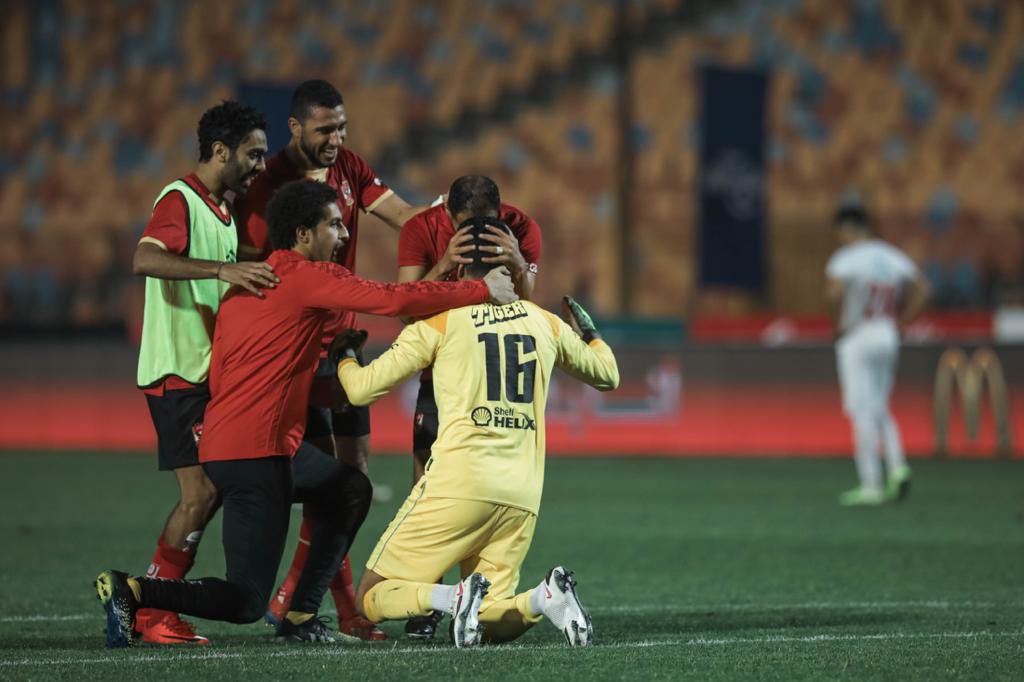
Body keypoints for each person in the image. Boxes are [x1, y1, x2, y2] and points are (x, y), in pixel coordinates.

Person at [95, 179, 517, 648]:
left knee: (348, 488)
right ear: (302, 234)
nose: (342, 236)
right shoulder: (308, 276)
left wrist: (332, 378)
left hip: (235, 447)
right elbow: (393, 299)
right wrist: (479, 291)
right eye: (334, 225)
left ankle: (300, 611)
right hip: (260, 456)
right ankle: (133, 590)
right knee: (245, 601)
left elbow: (253, 371)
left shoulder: (251, 283)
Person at [334, 220, 619, 647]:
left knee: (372, 594)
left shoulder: (443, 321)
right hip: (521, 493)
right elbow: (608, 375)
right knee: (488, 620)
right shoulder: (545, 323)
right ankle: (545, 599)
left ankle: (454, 597)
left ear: (457, 266)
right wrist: (592, 335)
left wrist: (345, 356)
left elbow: (361, 389)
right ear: (513, 265)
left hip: (459, 483)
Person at [235, 79, 429, 640]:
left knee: (356, 477)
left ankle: (314, 603)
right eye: (325, 129)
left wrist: (445, 222)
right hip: (301, 351)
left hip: (344, 346)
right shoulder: (269, 182)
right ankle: (308, 604)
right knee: (330, 485)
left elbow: (403, 215)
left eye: (342, 127)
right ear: (295, 128)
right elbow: (257, 258)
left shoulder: (350, 166)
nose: (336, 138)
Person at [132, 100, 274, 645]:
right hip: (177, 374)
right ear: (221, 151)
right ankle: (150, 611)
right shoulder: (180, 199)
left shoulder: (222, 210)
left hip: (205, 377)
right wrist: (221, 267)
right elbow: (145, 259)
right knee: (202, 491)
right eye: (253, 154)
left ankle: (158, 604)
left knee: (217, 489)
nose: (260, 165)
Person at [395, 173, 541, 638]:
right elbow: (405, 307)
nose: (477, 235)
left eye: (487, 226)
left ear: (501, 215)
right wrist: (442, 267)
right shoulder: (421, 229)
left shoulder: (522, 227)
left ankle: (470, 601)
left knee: (487, 489)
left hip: (493, 378)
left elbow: (528, 301)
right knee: (426, 485)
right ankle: (426, 601)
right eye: (467, 227)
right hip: (443, 371)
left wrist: (518, 261)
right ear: (449, 216)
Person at [825, 205, 931, 506]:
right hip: (887, 332)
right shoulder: (890, 255)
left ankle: (870, 483)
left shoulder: (845, 259)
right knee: (879, 405)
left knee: (861, 409)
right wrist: (903, 322)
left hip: (857, 334)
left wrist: (837, 327)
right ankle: (898, 467)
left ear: (846, 228)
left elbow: (833, 294)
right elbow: (923, 289)